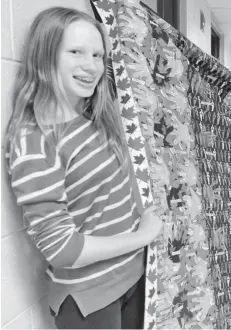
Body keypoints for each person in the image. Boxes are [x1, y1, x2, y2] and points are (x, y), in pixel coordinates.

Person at [5, 7, 164, 329]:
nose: (91, 66)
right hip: (90, 301)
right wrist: (144, 235)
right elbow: (63, 249)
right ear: (45, 55)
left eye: (97, 55)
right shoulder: (35, 143)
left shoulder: (93, 119)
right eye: (76, 52)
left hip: (134, 278)